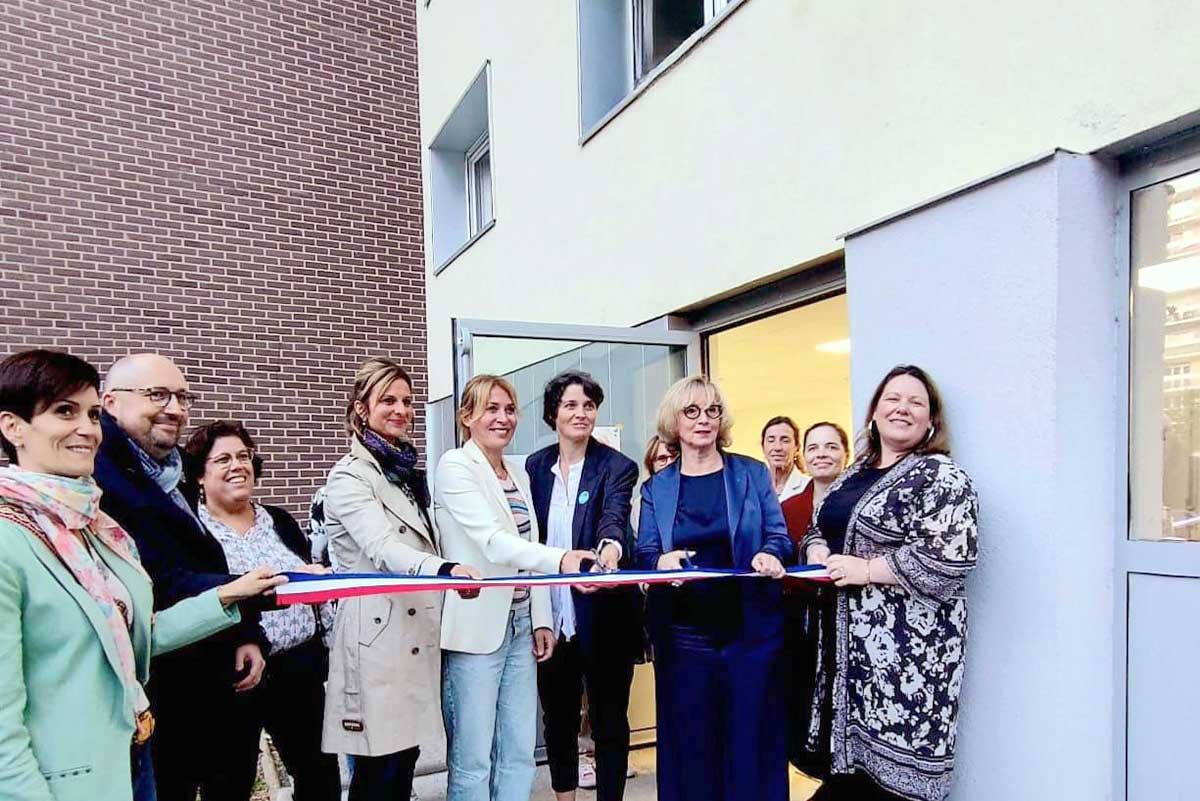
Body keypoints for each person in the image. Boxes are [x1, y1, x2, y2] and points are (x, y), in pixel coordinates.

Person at [0, 349, 283, 801]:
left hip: (133, 760)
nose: (86, 430)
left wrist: (229, 597)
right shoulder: (10, 538)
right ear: (12, 427)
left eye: (91, 415)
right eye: (64, 412)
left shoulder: (98, 528)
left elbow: (136, 639)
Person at [93, 353, 275, 801]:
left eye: (181, 396)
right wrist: (248, 591)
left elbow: (201, 561)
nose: (174, 408)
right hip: (162, 687)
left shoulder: (166, 473)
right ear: (110, 402)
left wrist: (245, 633)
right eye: (157, 394)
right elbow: (158, 581)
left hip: (214, 675)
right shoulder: (103, 477)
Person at [801, 365, 979, 801]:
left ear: (931, 420)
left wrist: (865, 571)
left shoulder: (941, 476)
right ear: (874, 412)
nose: (903, 408)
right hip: (846, 659)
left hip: (906, 664)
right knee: (848, 777)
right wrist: (816, 550)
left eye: (916, 402)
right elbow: (817, 526)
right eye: (892, 399)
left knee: (891, 790)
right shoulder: (854, 473)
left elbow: (951, 557)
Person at [320, 358, 482, 801]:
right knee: (379, 771)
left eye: (407, 401)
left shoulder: (405, 473)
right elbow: (382, 546)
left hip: (412, 633)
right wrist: (445, 572)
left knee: (402, 764)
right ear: (360, 409)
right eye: (387, 400)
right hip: (375, 641)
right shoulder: (349, 477)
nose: (401, 409)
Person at [435, 374, 596, 801]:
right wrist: (561, 559)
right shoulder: (455, 466)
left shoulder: (520, 472)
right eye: (491, 409)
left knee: (520, 752)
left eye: (509, 410)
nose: (502, 418)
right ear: (467, 416)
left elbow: (530, 546)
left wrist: (541, 617)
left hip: (522, 624)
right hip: (476, 631)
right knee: (473, 760)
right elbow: (494, 541)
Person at [635, 374, 793, 801]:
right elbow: (645, 552)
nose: (704, 419)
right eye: (692, 411)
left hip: (750, 633)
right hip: (685, 639)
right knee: (693, 745)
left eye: (712, 410)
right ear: (674, 420)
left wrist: (770, 554)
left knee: (750, 743)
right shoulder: (656, 488)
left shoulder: (752, 473)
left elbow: (779, 536)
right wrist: (659, 562)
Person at [181, 420, 341, 801]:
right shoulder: (192, 531)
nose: (238, 465)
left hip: (298, 670)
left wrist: (315, 584)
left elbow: (304, 578)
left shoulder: (279, 521)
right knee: (229, 780)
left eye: (243, 456)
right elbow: (198, 593)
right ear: (199, 476)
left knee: (319, 775)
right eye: (223, 459)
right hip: (234, 677)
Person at [524, 371, 642, 801]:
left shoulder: (617, 466)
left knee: (610, 721)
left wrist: (607, 555)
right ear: (553, 412)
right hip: (549, 616)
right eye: (571, 405)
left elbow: (613, 517)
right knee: (558, 718)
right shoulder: (534, 468)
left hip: (603, 614)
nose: (581, 413)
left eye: (589, 406)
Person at [779, 421, 849, 775]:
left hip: (848, 618)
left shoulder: (859, 504)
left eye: (831, 446)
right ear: (803, 456)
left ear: (845, 454)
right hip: (800, 619)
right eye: (814, 447)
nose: (822, 454)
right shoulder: (789, 507)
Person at [629, 434, 677, 532]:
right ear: (652, 465)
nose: (670, 463)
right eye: (662, 459)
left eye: (674, 457)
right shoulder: (641, 504)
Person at [761, 415, 808, 502]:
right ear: (763, 447)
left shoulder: (809, 486)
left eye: (785, 440)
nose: (777, 447)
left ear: (797, 448)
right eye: (771, 440)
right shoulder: (754, 486)